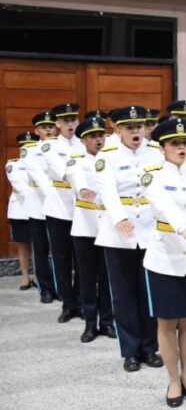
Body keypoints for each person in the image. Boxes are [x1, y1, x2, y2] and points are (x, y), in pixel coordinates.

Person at [141, 117, 186, 407]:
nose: (182, 148)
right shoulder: (152, 175)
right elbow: (164, 205)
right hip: (164, 257)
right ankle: (173, 380)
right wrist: (184, 228)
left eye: (185, 142)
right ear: (162, 148)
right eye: (175, 144)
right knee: (166, 321)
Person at [94, 105, 164, 372]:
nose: (136, 132)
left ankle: (150, 347)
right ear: (117, 129)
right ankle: (130, 350)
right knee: (123, 295)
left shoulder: (156, 153)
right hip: (117, 234)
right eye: (129, 128)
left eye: (139, 127)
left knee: (148, 292)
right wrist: (119, 218)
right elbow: (107, 191)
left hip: (149, 231)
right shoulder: (107, 156)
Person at [65, 117, 116, 342]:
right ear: (84, 140)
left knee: (107, 277)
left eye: (101, 135)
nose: (99, 140)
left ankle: (107, 321)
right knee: (87, 277)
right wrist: (84, 189)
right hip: (85, 227)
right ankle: (89, 323)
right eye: (93, 136)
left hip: (107, 226)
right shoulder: (76, 160)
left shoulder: (111, 159)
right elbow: (74, 177)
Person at [41, 102, 86, 322]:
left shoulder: (84, 142)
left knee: (82, 259)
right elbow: (62, 170)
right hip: (59, 208)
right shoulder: (50, 146)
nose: (70, 124)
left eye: (73, 120)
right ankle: (68, 304)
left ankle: (82, 300)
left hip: (82, 209)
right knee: (61, 258)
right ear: (57, 123)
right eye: (66, 121)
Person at [23, 112, 59, 304]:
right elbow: (38, 176)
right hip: (39, 206)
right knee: (41, 249)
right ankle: (45, 288)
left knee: (62, 251)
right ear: (37, 131)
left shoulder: (64, 148)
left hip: (62, 207)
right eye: (44, 127)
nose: (48, 130)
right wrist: (53, 194)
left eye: (51, 126)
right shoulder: (30, 150)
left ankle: (62, 288)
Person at [7, 132, 41, 292]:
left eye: (30, 146)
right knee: (23, 245)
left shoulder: (41, 165)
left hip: (40, 210)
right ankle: (25, 277)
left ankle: (40, 277)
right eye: (24, 146)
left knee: (41, 246)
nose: (26, 148)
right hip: (20, 211)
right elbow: (22, 187)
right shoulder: (12, 165)